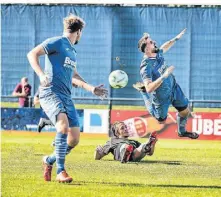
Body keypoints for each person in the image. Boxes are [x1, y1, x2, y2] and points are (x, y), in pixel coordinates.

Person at [27, 14, 108, 183]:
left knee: (74, 139)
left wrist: (90, 88)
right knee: (63, 128)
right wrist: (41, 75)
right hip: (50, 92)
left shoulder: (73, 51)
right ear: (79, 32)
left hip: (66, 96)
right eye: (81, 33)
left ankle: (48, 160)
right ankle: (60, 171)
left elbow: (74, 75)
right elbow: (32, 54)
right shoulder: (57, 42)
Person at [134, 29, 199, 139]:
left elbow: (166, 45)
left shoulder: (157, 52)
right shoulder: (145, 66)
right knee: (161, 120)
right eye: (150, 42)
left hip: (173, 87)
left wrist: (176, 38)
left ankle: (182, 132)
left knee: (185, 112)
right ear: (147, 49)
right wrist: (164, 75)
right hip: (161, 97)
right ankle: (142, 93)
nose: (153, 42)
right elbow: (149, 88)